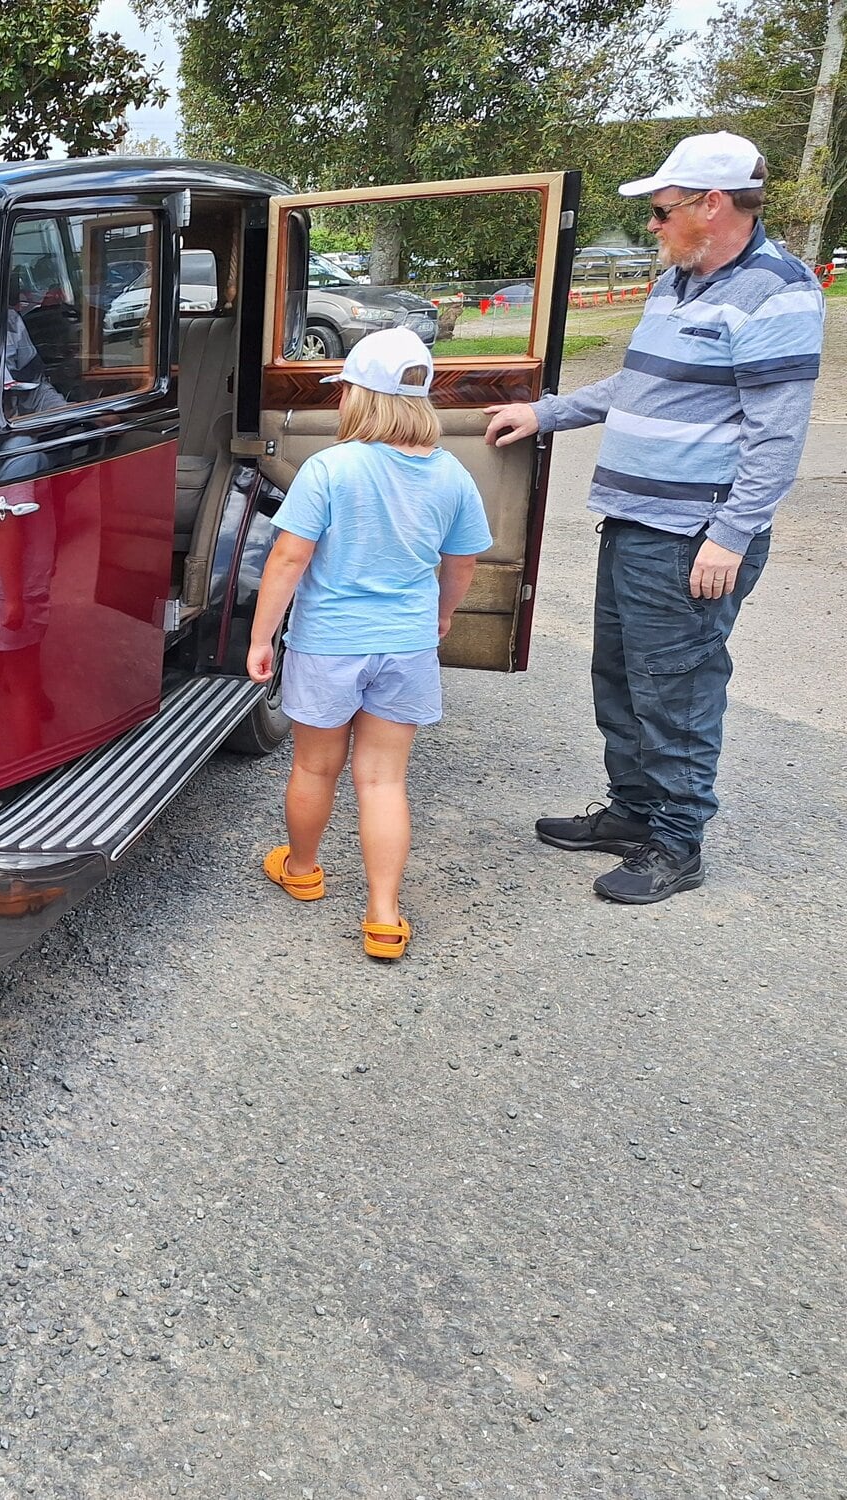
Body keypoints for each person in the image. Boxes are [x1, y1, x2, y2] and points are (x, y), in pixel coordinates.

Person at [483, 132, 823, 903]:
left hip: (691, 534)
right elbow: (637, 384)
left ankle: (676, 842)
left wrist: (729, 536)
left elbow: (777, 436)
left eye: (663, 211)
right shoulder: (678, 280)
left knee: (677, 688)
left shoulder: (776, 290)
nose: (652, 224)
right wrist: (547, 412)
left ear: (714, 204)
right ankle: (633, 813)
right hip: (635, 520)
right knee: (620, 676)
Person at [248, 328, 493, 960]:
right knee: (383, 780)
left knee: (314, 767)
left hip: (329, 642)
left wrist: (261, 635)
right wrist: (442, 615)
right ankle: (384, 916)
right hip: (405, 645)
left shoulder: (330, 468)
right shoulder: (452, 474)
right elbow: (462, 562)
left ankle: (302, 869)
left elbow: (288, 559)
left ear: (359, 396)